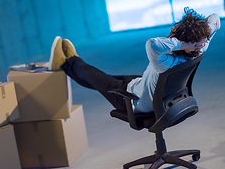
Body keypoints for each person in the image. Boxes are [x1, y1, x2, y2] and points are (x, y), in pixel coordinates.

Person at [47, 8, 221, 113]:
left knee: (96, 76)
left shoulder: (164, 62)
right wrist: (200, 36)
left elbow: (152, 44)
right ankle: (70, 65)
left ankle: (67, 62)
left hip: (132, 101)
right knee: (103, 79)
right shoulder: (200, 48)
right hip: (150, 90)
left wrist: (182, 43)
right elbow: (215, 19)